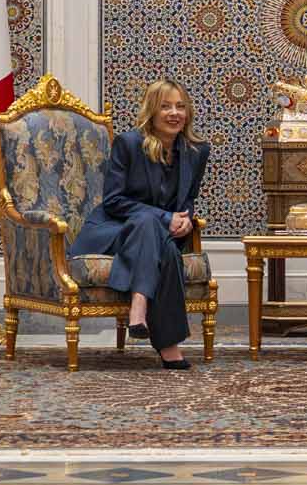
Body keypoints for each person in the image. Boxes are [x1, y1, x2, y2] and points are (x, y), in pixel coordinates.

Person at [75, 78, 209, 366]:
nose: (175, 113)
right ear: (152, 111)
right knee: (150, 224)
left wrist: (185, 220)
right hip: (116, 231)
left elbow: (187, 198)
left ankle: (141, 310)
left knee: (164, 243)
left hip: (160, 236)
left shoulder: (197, 151)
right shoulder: (129, 144)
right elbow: (113, 201)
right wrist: (165, 217)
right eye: (166, 107)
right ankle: (158, 332)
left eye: (180, 107)